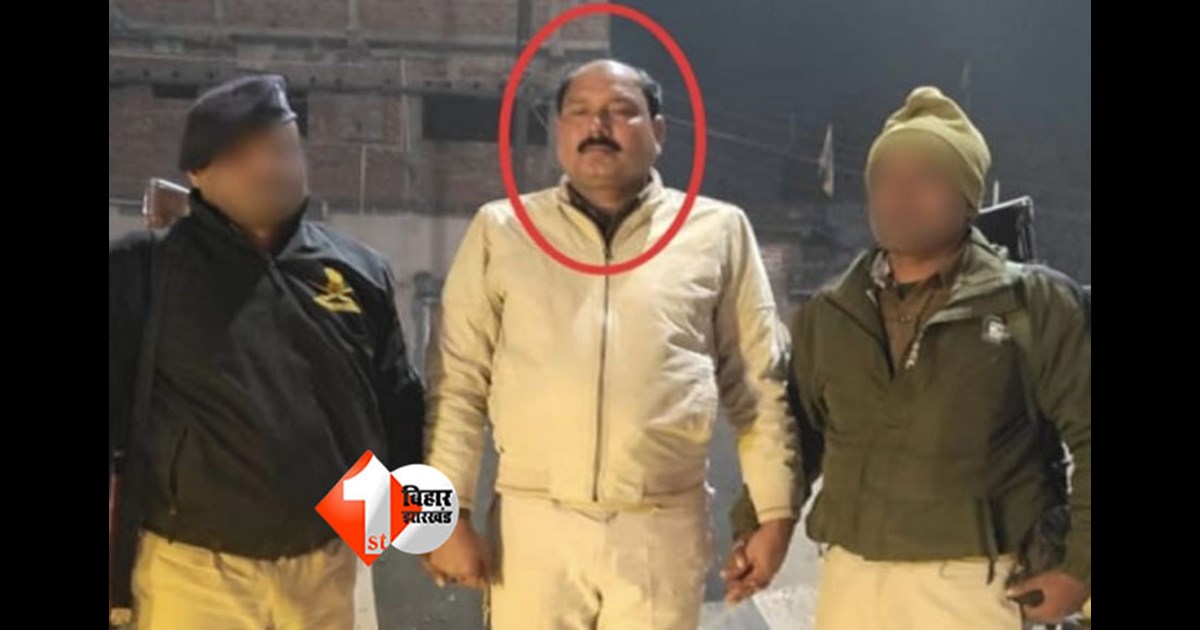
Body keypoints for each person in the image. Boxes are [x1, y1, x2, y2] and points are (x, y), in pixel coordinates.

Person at [421, 59, 801, 629]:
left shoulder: (717, 232)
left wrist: (775, 512)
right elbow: (455, 385)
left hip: (661, 526)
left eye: (621, 111)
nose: (598, 126)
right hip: (532, 525)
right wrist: (441, 520)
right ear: (559, 131)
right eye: (580, 112)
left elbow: (758, 382)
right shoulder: (501, 230)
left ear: (659, 131)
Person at [724, 86, 1090, 629]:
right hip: (851, 585)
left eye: (924, 179)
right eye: (885, 179)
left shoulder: (1032, 304)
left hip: (979, 585)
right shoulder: (833, 312)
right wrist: (760, 522)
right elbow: (799, 436)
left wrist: (1079, 568)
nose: (899, 196)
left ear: (968, 197)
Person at [108, 74, 426, 629]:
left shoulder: (360, 269)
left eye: (281, 150)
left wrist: (434, 531)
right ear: (198, 173)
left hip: (331, 566)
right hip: (194, 570)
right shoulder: (143, 269)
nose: (268, 169)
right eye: (241, 157)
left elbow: (398, 411)